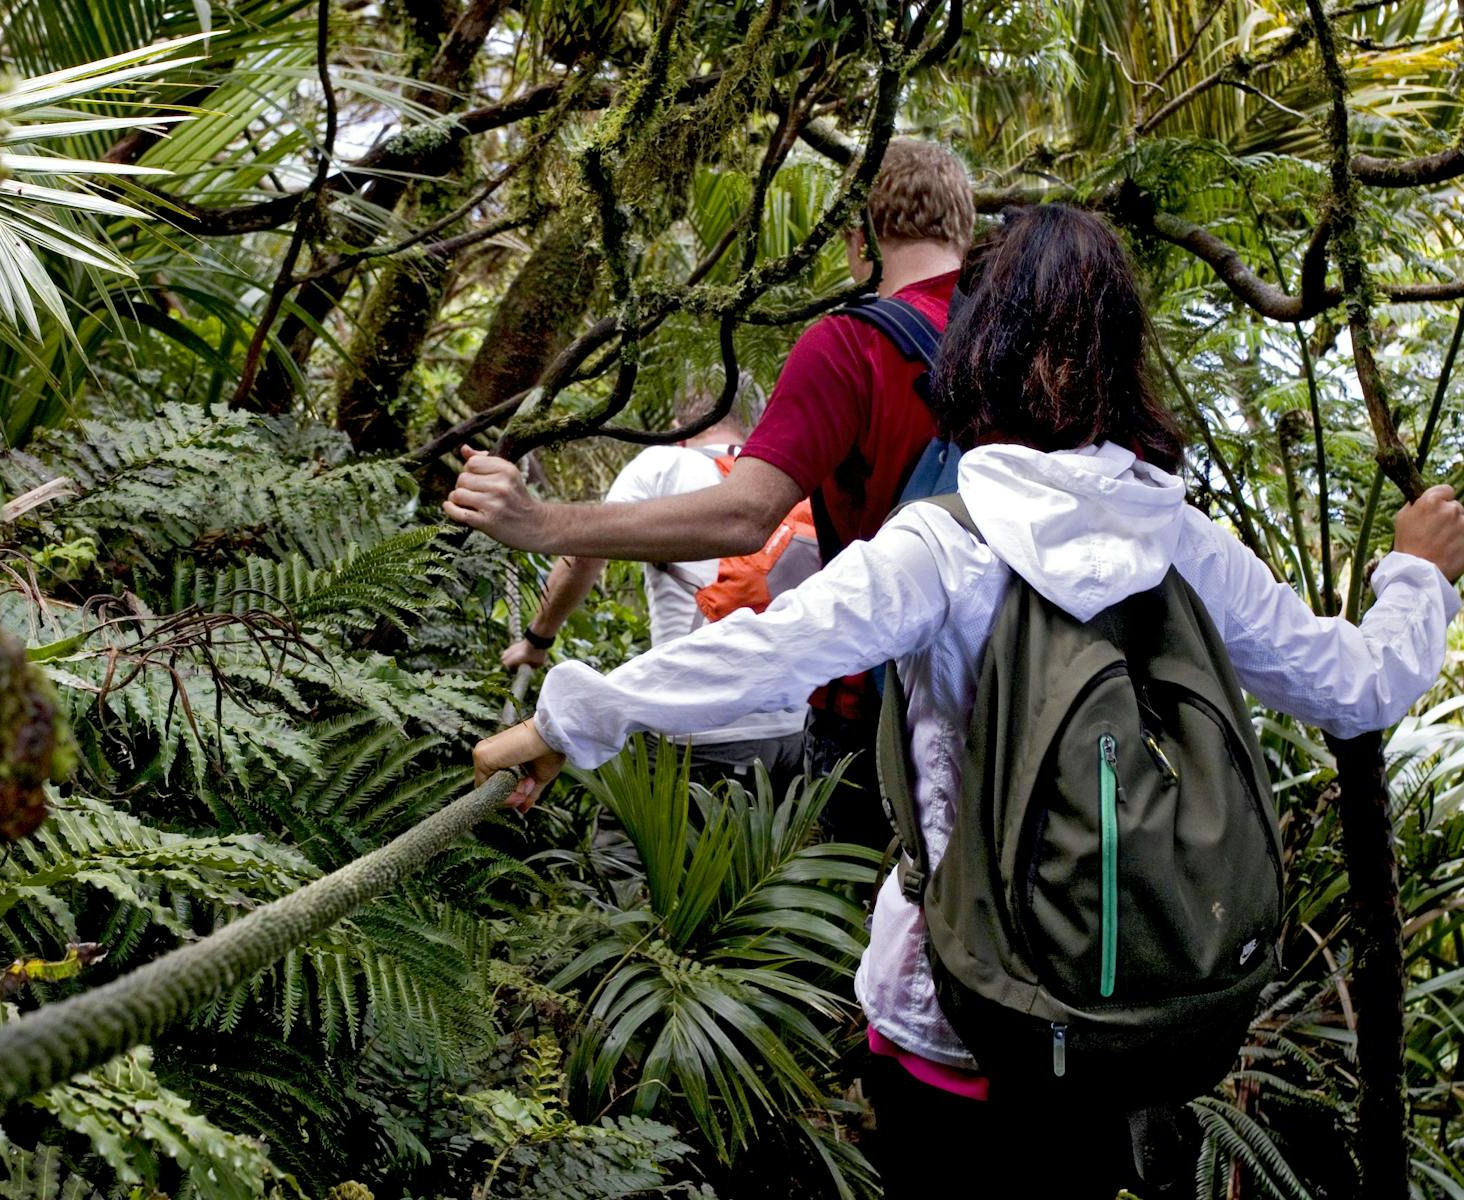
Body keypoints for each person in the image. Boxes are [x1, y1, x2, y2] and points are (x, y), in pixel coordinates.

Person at [470, 205, 1464, 1195]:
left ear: (980, 349)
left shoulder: (945, 546)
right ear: (1122, 357)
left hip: (952, 1018)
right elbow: (1355, 688)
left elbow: (767, 656)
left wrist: (566, 719)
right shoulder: (1185, 545)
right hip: (1115, 1017)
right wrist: (1415, 575)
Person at [446, 138, 977, 842]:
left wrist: (539, 523)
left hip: (871, 713)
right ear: (967, 232)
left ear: (860, 242)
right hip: (1008, 709)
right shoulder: (1031, 348)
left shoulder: (853, 347)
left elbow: (744, 516)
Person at [500, 379, 809, 796]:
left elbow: (586, 554)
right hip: (793, 734)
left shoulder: (664, 464)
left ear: (680, 428)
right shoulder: (785, 488)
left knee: (624, 857)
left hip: (695, 731)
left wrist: (537, 639)